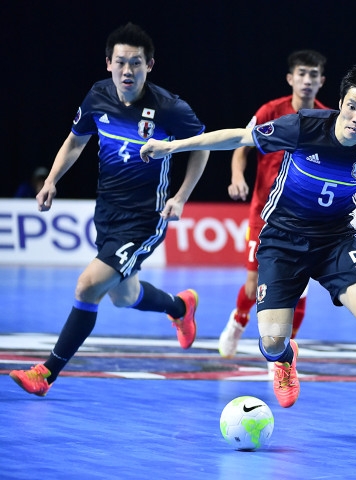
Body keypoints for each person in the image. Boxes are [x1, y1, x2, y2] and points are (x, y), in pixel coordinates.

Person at [141, 62, 356, 448]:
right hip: (283, 240)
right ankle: (285, 358)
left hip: (335, 241)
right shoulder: (305, 126)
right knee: (270, 342)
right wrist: (172, 146)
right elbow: (239, 137)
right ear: (339, 103)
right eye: (351, 107)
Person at [9, 22, 209, 397]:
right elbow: (74, 141)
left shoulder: (169, 108)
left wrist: (181, 196)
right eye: (120, 63)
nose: (127, 71)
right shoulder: (98, 96)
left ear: (150, 65)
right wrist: (51, 179)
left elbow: (201, 146)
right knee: (123, 294)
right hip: (107, 213)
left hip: (145, 218)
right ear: (108, 64)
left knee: (88, 286)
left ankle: (46, 373)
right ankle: (181, 307)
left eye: (136, 63)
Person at [219, 49, 329, 359]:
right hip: (264, 214)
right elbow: (241, 144)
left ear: (322, 80)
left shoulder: (326, 119)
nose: (307, 81)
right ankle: (238, 323)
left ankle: (280, 355)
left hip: (302, 220)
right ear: (290, 78)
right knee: (254, 285)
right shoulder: (270, 111)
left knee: (299, 292)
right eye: (302, 74)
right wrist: (237, 176)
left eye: (313, 75)